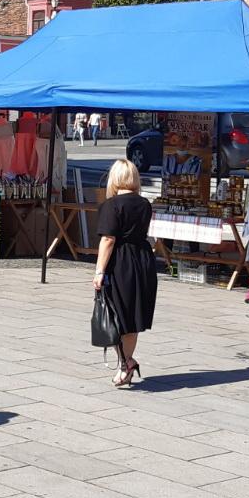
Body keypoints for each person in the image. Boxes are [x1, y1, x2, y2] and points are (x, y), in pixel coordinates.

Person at [93, 159, 158, 388]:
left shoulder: (111, 205)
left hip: (120, 262)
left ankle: (125, 363)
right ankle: (126, 362)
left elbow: (108, 239)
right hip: (142, 260)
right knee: (132, 316)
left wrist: (99, 270)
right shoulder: (145, 204)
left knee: (116, 314)